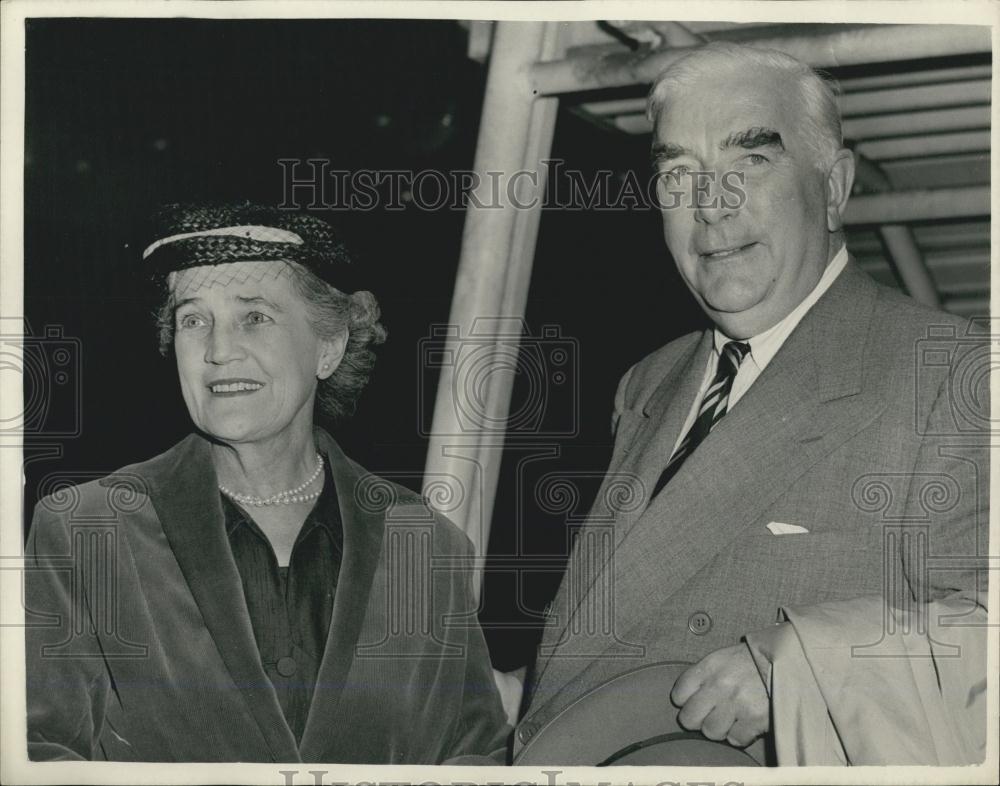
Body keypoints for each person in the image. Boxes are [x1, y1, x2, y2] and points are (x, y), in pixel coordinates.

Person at [513, 43, 989, 765]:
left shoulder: (953, 372)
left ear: (833, 188)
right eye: (678, 173)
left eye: (749, 163)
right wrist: (512, 695)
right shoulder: (649, 381)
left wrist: (804, 666)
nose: (710, 205)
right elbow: (616, 639)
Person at [24, 202, 509, 762]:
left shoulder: (425, 547)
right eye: (193, 319)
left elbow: (476, 758)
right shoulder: (85, 531)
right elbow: (39, 753)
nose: (218, 351)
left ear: (328, 346)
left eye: (254, 316)